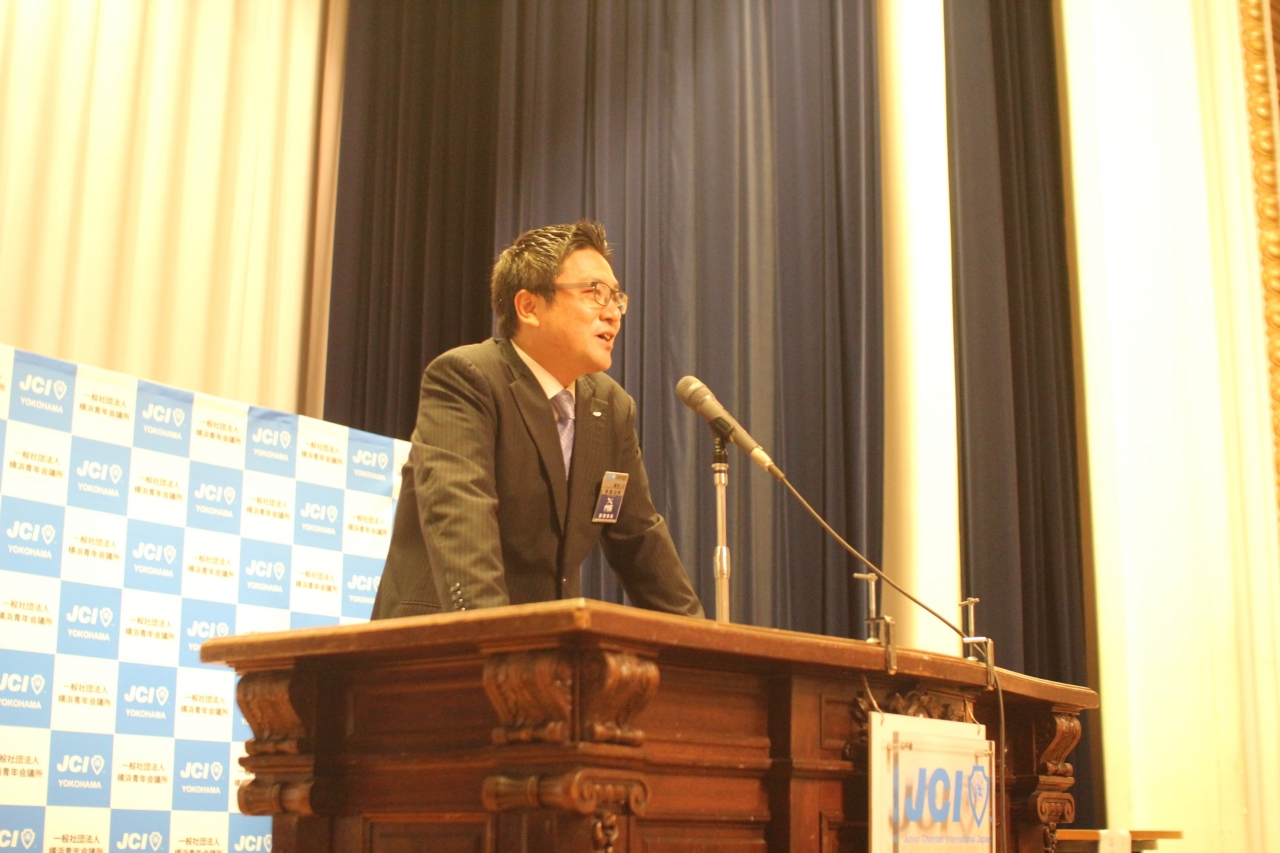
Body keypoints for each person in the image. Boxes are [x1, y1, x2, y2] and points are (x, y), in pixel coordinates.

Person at [371, 220, 704, 619]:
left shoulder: (611, 406)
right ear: (529, 307)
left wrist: (701, 643)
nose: (613, 314)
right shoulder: (467, 378)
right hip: (446, 637)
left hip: (545, 645)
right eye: (594, 293)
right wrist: (500, 639)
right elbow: (461, 518)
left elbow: (641, 540)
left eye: (616, 298)